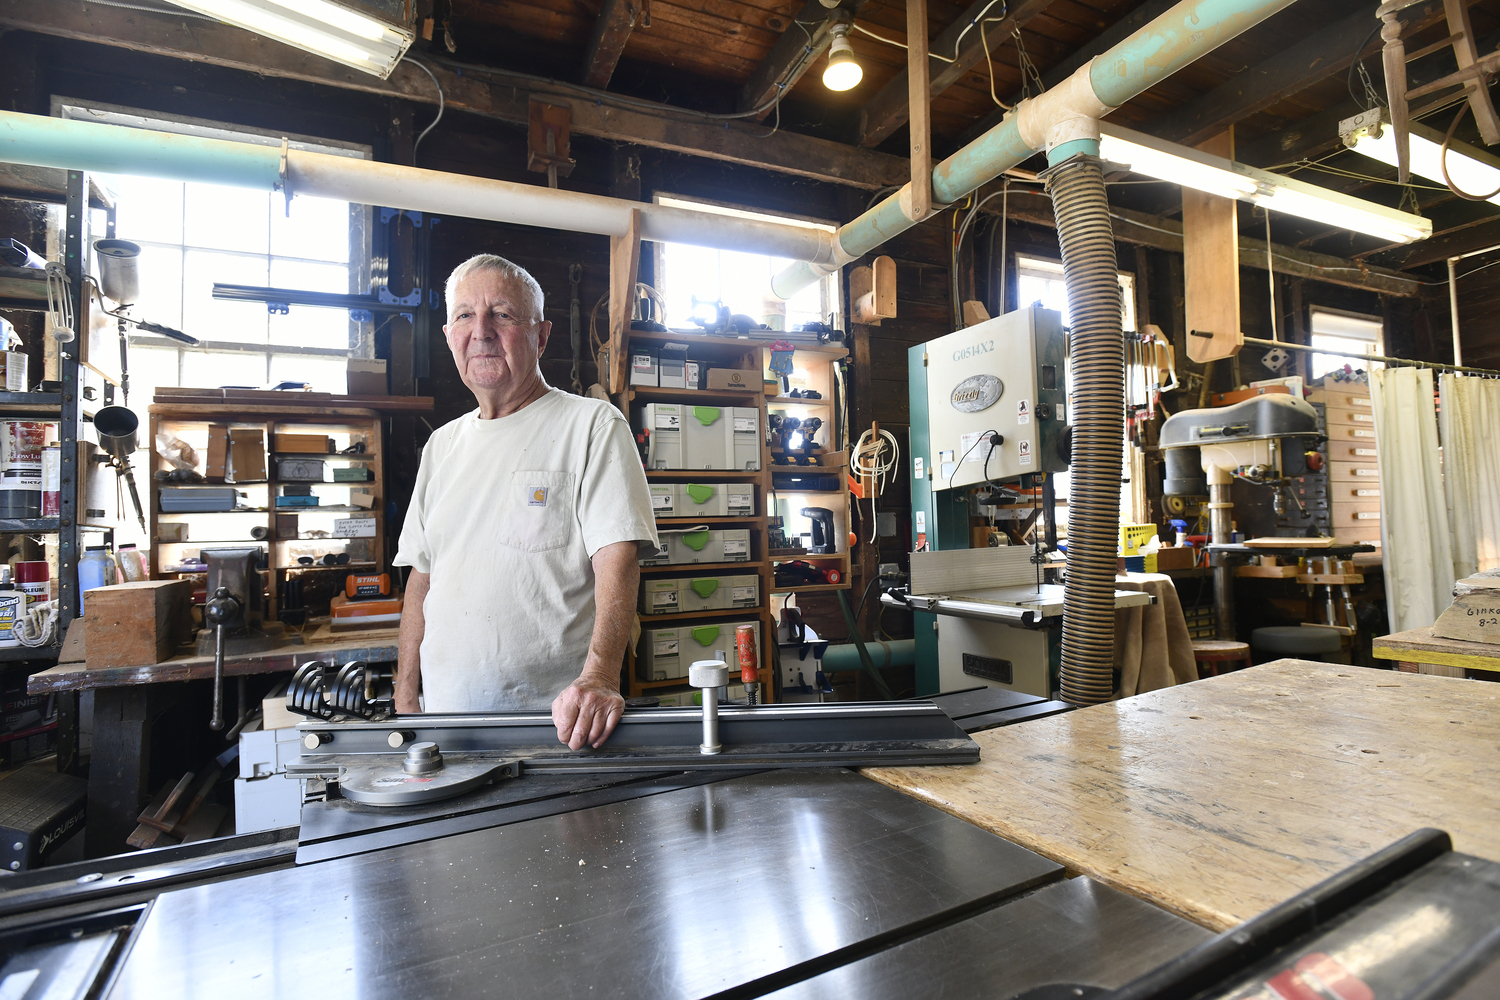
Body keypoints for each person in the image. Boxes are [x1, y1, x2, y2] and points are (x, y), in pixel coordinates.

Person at [393, 253, 657, 750]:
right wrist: (406, 702)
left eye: (503, 315)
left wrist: (600, 676)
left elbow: (617, 561)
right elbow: (421, 579)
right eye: (465, 316)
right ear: (449, 335)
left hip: (560, 729)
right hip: (447, 731)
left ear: (541, 336)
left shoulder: (592, 426)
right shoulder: (441, 447)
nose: (482, 330)